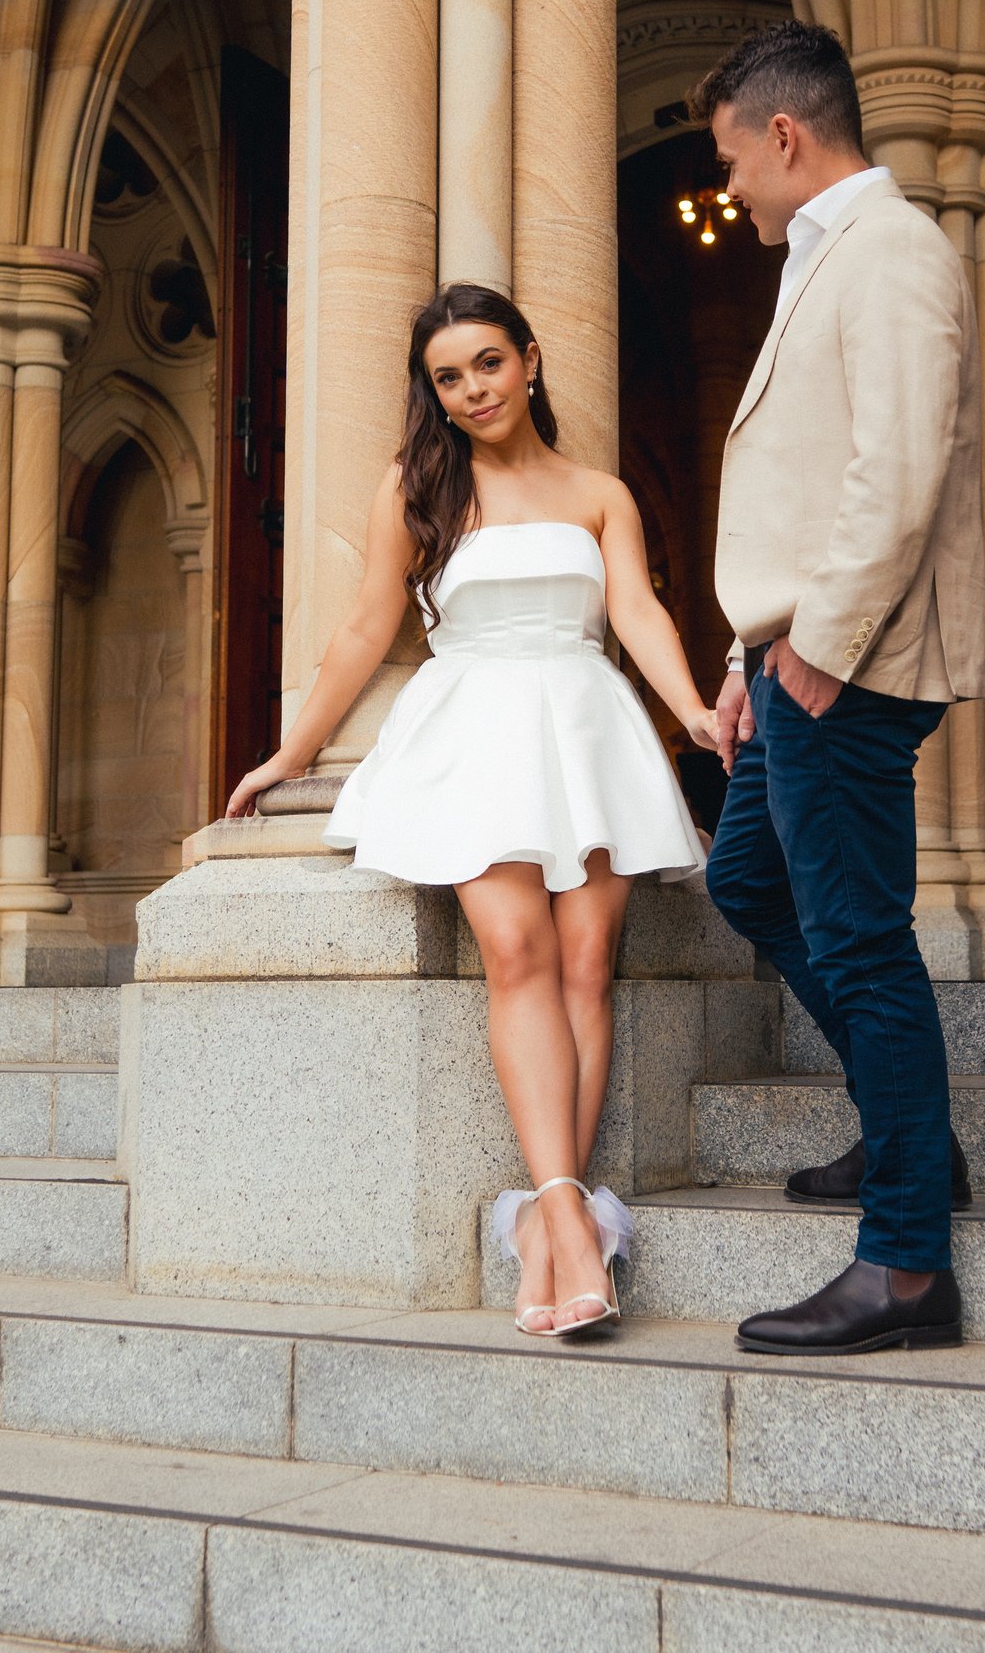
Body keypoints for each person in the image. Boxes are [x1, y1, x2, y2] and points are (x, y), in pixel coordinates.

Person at [226, 284, 715, 1339]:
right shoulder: (417, 490)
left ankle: (555, 1230)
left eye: (488, 363)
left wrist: (693, 713)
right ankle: (570, 1224)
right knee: (518, 954)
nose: (472, 390)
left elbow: (636, 609)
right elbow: (364, 628)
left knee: (590, 965)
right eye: (448, 377)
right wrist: (289, 753)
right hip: (472, 729)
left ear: (531, 361)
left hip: (587, 725)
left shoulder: (600, 494)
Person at [696, 20, 985, 1355]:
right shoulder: (829, 257)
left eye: (731, 159)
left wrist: (816, 646)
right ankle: (909, 1136)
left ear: (785, 135)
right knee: (748, 882)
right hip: (794, 655)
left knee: (860, 934)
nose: (732, 187)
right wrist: (751, 658)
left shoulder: (893, 253)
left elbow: (899, 468)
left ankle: (908, 1267)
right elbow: (809, 485)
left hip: (849, 660)